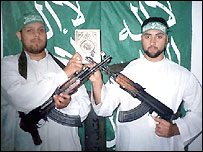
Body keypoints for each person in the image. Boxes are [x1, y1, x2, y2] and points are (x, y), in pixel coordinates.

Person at [89, 17, 202, 151]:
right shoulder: (125, 72)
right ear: (142, 38)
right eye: (148, 36)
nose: (153, 42)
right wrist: (97, 82)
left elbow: (199, 112)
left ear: (166, 39)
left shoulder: (183, 75)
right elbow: (104, 109)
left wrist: (176, 129)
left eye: (159, 36)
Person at [1, 12, 91, 151]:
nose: (36, 35)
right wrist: (64, 74)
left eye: (41, 30)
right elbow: (22, 98)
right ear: (19, 35)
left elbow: (85, 107)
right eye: (30, 30)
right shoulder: (7, 65)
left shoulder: (64, 64)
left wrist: (67, 105)